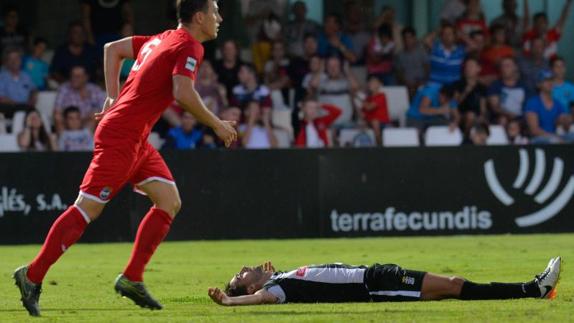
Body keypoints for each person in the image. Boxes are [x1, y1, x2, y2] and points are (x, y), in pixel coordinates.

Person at [13, 0, 237, 317]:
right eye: (215, 12)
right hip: (121, 136)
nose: (220, 18)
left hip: (135, 137)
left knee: (168, 200)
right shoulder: (189, 46)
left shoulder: (161, 39)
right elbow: (182, 92)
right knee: (87, 209)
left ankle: (131, 278)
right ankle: (31, 275)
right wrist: (217, 124)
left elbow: (111, 49)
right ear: (199, 17)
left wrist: (112, 95)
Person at [208, 257, 561, 305]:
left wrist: (274, 272)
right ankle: (533, 289)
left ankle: (532, 289)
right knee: (453, 285)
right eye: (241, 275)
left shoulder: (279, 278)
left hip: (375, 274)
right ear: (251, 287)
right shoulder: (274, 290)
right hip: (374, 284)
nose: (245, 268)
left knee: (451, 288)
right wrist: (229, 301)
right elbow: (261, 300)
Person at [307, 56, 359, 127]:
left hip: (346, 124)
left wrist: (347, 70)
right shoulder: (321, 82)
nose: (333, 69)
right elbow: (313, 85)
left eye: (336, 66)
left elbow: (356, 86)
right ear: (326, 68)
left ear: (340, 67)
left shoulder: (346, 82)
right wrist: (321, 69)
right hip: (327, 125)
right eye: (330, 66)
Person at [53, 65, 106, 134]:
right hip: (68, 123)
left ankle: (88, 143)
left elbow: (105, 110)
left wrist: (88, 116)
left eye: (77, 76)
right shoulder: (64, 88)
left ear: (86, 77)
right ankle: (64, 142)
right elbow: (57, 110)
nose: (74, 78)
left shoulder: (95, 90)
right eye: (72, 75)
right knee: (57, 117)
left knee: (95, 115)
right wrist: (71, 119)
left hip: (88, 122)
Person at [525, 70, 574, 144]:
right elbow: (534, 130)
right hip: (538, 139)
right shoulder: (533, 103)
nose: (549, 83)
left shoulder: (558, 104)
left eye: (551, 80)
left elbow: (564, 126)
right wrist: (553, 137)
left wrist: (567, 120)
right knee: (553, 140)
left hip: (556, 137)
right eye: (546, 80)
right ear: (539, 84)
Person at [487, 57, 529, 125]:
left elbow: (527, 106)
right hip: (502, 117)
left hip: (521, 118)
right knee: (503, 119)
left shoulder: (524, 86)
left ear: (515, 67)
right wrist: (509, 114)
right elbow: (494, 107)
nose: (504, 68)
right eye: (502, 66)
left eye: (508, 66)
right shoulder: (495, 85)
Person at [452, 57, 487, 135]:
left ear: (478, 69)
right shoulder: (458, 84)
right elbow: (454, 104)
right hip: (461, 115)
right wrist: (466, 91)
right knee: (470, 115)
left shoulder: (482, 87)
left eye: (471, 66)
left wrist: (482, 116)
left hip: (476, 115)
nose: (468, 69)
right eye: (467, 66)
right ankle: (467, 138)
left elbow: (483, 106)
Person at [395, 27, 429, 97]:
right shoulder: (400, 55)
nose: (407, 40)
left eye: (409, 37)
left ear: (414, 38)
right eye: (405, 38)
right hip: (406, 86)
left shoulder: (422, 52)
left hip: (421, 84)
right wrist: (406, 83)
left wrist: (422, 82)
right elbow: (399, 73)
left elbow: (427, 68)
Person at [360, 75, 389, 146]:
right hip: (369, 121)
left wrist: (359, 97)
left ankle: (379, 145)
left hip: (382, 122)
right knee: (361, 124)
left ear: (380, 85)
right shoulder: (367, 98)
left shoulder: (381, 96)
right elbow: (362, 112)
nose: (371, 84)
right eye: (370, 82)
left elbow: (369, 107)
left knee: (375, 122)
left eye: (374, 82)